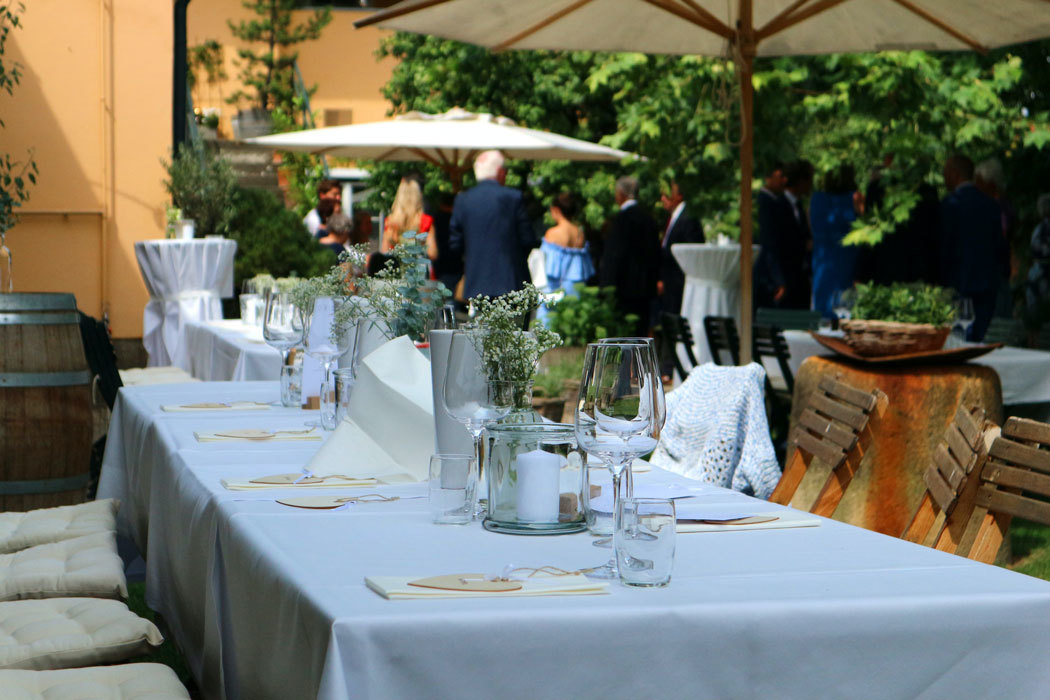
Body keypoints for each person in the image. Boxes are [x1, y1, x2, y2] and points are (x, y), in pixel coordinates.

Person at [448, 150, 536, 299]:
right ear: (500, 172)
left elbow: (455, 244)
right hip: (512, 282)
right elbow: (528, 239)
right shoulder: (513, 197)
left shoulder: (463, 200)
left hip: (476, 284)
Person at [939, 154, 1008, 341]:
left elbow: (943, 250)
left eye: (945, 172)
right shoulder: (992, 207)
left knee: (956, 343)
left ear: (954, 173)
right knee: (976, 342)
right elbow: (1000, 250)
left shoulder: (949, 205)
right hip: (986, 288)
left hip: (956, 287)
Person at [599, 176, 660, 335]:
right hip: (646, 288)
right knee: (641, 332)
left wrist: (607, 285)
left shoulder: (620, 220)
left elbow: (615, 256)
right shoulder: (649, 219)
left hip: (623, 288)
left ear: (620, 194)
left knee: (623, 333)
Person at [754, 160, 811, 309]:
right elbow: (771, 244)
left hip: (799, 278)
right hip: (782, 278)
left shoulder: (798, 206)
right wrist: (778, 281)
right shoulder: (775, 205)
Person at [810, 165, 863, 319]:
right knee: (845, 306)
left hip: (823, 259)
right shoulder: (855, 198)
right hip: (847, 258)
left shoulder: (816, 199)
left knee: (824, 306)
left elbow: (812, 228)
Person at [537, 193, 595, 323]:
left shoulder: (552, 233)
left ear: (556, 210)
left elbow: (545, 265)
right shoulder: (580, 233)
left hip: (555, 288)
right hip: (574, 286)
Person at [657, 179, 705, 316]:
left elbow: (691, 251)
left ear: (678, 196)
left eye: (667, 195)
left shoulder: (688, 218)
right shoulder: (675, 217)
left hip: (679, 284)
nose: (662, 199)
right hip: (671, 283)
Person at [382, 178, 438, 260]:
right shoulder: (426, 221)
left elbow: (384, 252)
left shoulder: (390, 222)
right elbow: (432, 253)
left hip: (397, 269)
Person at [1026, 194, 1050, 325]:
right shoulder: (1041, 229)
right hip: (1041, 274)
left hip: (1037, 274)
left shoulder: (1039, 229)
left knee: (1035, 316)